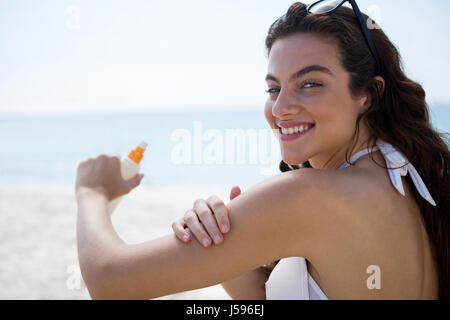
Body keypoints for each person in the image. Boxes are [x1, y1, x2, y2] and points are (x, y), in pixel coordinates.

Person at [75, 1, 450, 300]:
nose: (281, 106)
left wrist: (92, 193)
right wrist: (234, 251)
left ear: (369, 94)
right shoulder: (410, 184)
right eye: (274, 88)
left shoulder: (307, 195)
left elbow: (109, 284)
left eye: (311, 83)